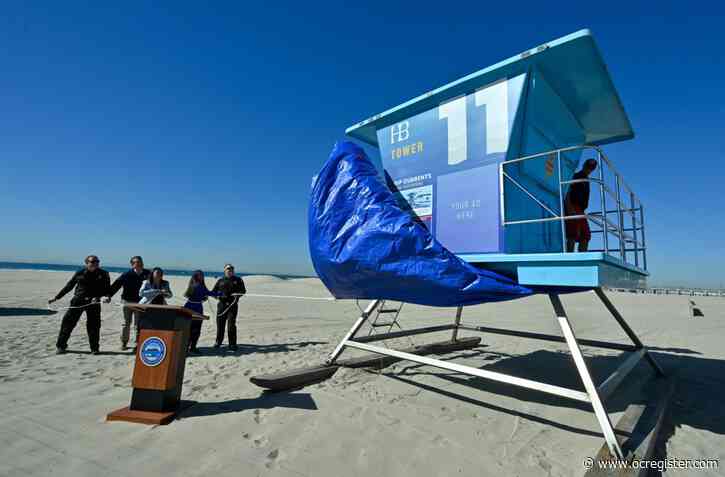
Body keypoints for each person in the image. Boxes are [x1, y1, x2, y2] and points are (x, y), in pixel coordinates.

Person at [48, 255, 111, 355]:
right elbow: (69, 286)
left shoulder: (104, 274)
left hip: (94, 302)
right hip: (78, 301)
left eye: (97, 261)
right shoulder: (80, 272)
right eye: (93, 261)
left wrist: (106, 297)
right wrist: (57, 297)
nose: (95, 263)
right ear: (87, 263)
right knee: (67, 324)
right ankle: (61, 346)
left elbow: (107, 289)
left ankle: (94, 349)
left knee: (94, 326)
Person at [105, 255, 150, 349]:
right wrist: (109, 296)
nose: (139, 264)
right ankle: (124, 342)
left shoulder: (148, 274)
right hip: (127, 301)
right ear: (132, 264)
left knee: (138, 324)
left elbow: (155, 284)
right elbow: (116, 285)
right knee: (126, 323)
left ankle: (137, 344)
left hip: (141, 303)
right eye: (136, 262)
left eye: (140, 262)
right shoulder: (127, 274)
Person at [183, 270, 221, 354]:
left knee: (190, 328)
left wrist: (204, 297)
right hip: (195, 308)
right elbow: (209, 293)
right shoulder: (198, 285)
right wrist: (220, 294)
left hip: (190, 306)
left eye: (202, 275)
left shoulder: (192, 284)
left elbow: (202, 295)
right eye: (200, 275)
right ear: (196, 276)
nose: (202, 277)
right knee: (194, 329)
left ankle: (187, 348)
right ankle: (191, 348)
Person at [565, 158, 598, 253]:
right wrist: (569, 207)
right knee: (572, 234)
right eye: (588, 166)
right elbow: (567, 191)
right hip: (573, 207)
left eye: (591, 167)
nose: (589, 169)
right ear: (584, 165)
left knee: (586, 235)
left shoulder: (586, 180)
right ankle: (569, 258)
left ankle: (582, 259)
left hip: (581, 210)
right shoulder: (575, 176)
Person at [211, 264, 246, 350]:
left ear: (233, 271)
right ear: (224, 271)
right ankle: (218, 342)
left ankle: (232, 344)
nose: (229, 271)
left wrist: (237, 295)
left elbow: (243, 291)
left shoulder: (238, 280)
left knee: (231, 325)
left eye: (231, 269)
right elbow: (213, 292)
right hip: (222, 305)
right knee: (220, 325)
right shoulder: (220, 280)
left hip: (232, 305)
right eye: (228, 269)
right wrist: (217, 296)